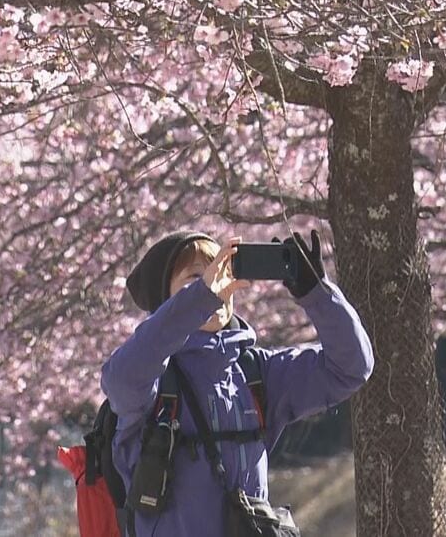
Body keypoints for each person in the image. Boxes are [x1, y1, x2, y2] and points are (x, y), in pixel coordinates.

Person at [101, 229, 373, 537]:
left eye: (221, 274)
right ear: (165, 300)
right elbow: (119, 380)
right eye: (195, 278)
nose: (215, 286)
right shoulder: (153, 378)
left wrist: (317, 294)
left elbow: (350, 367)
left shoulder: (255, 371)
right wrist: (200, 298)